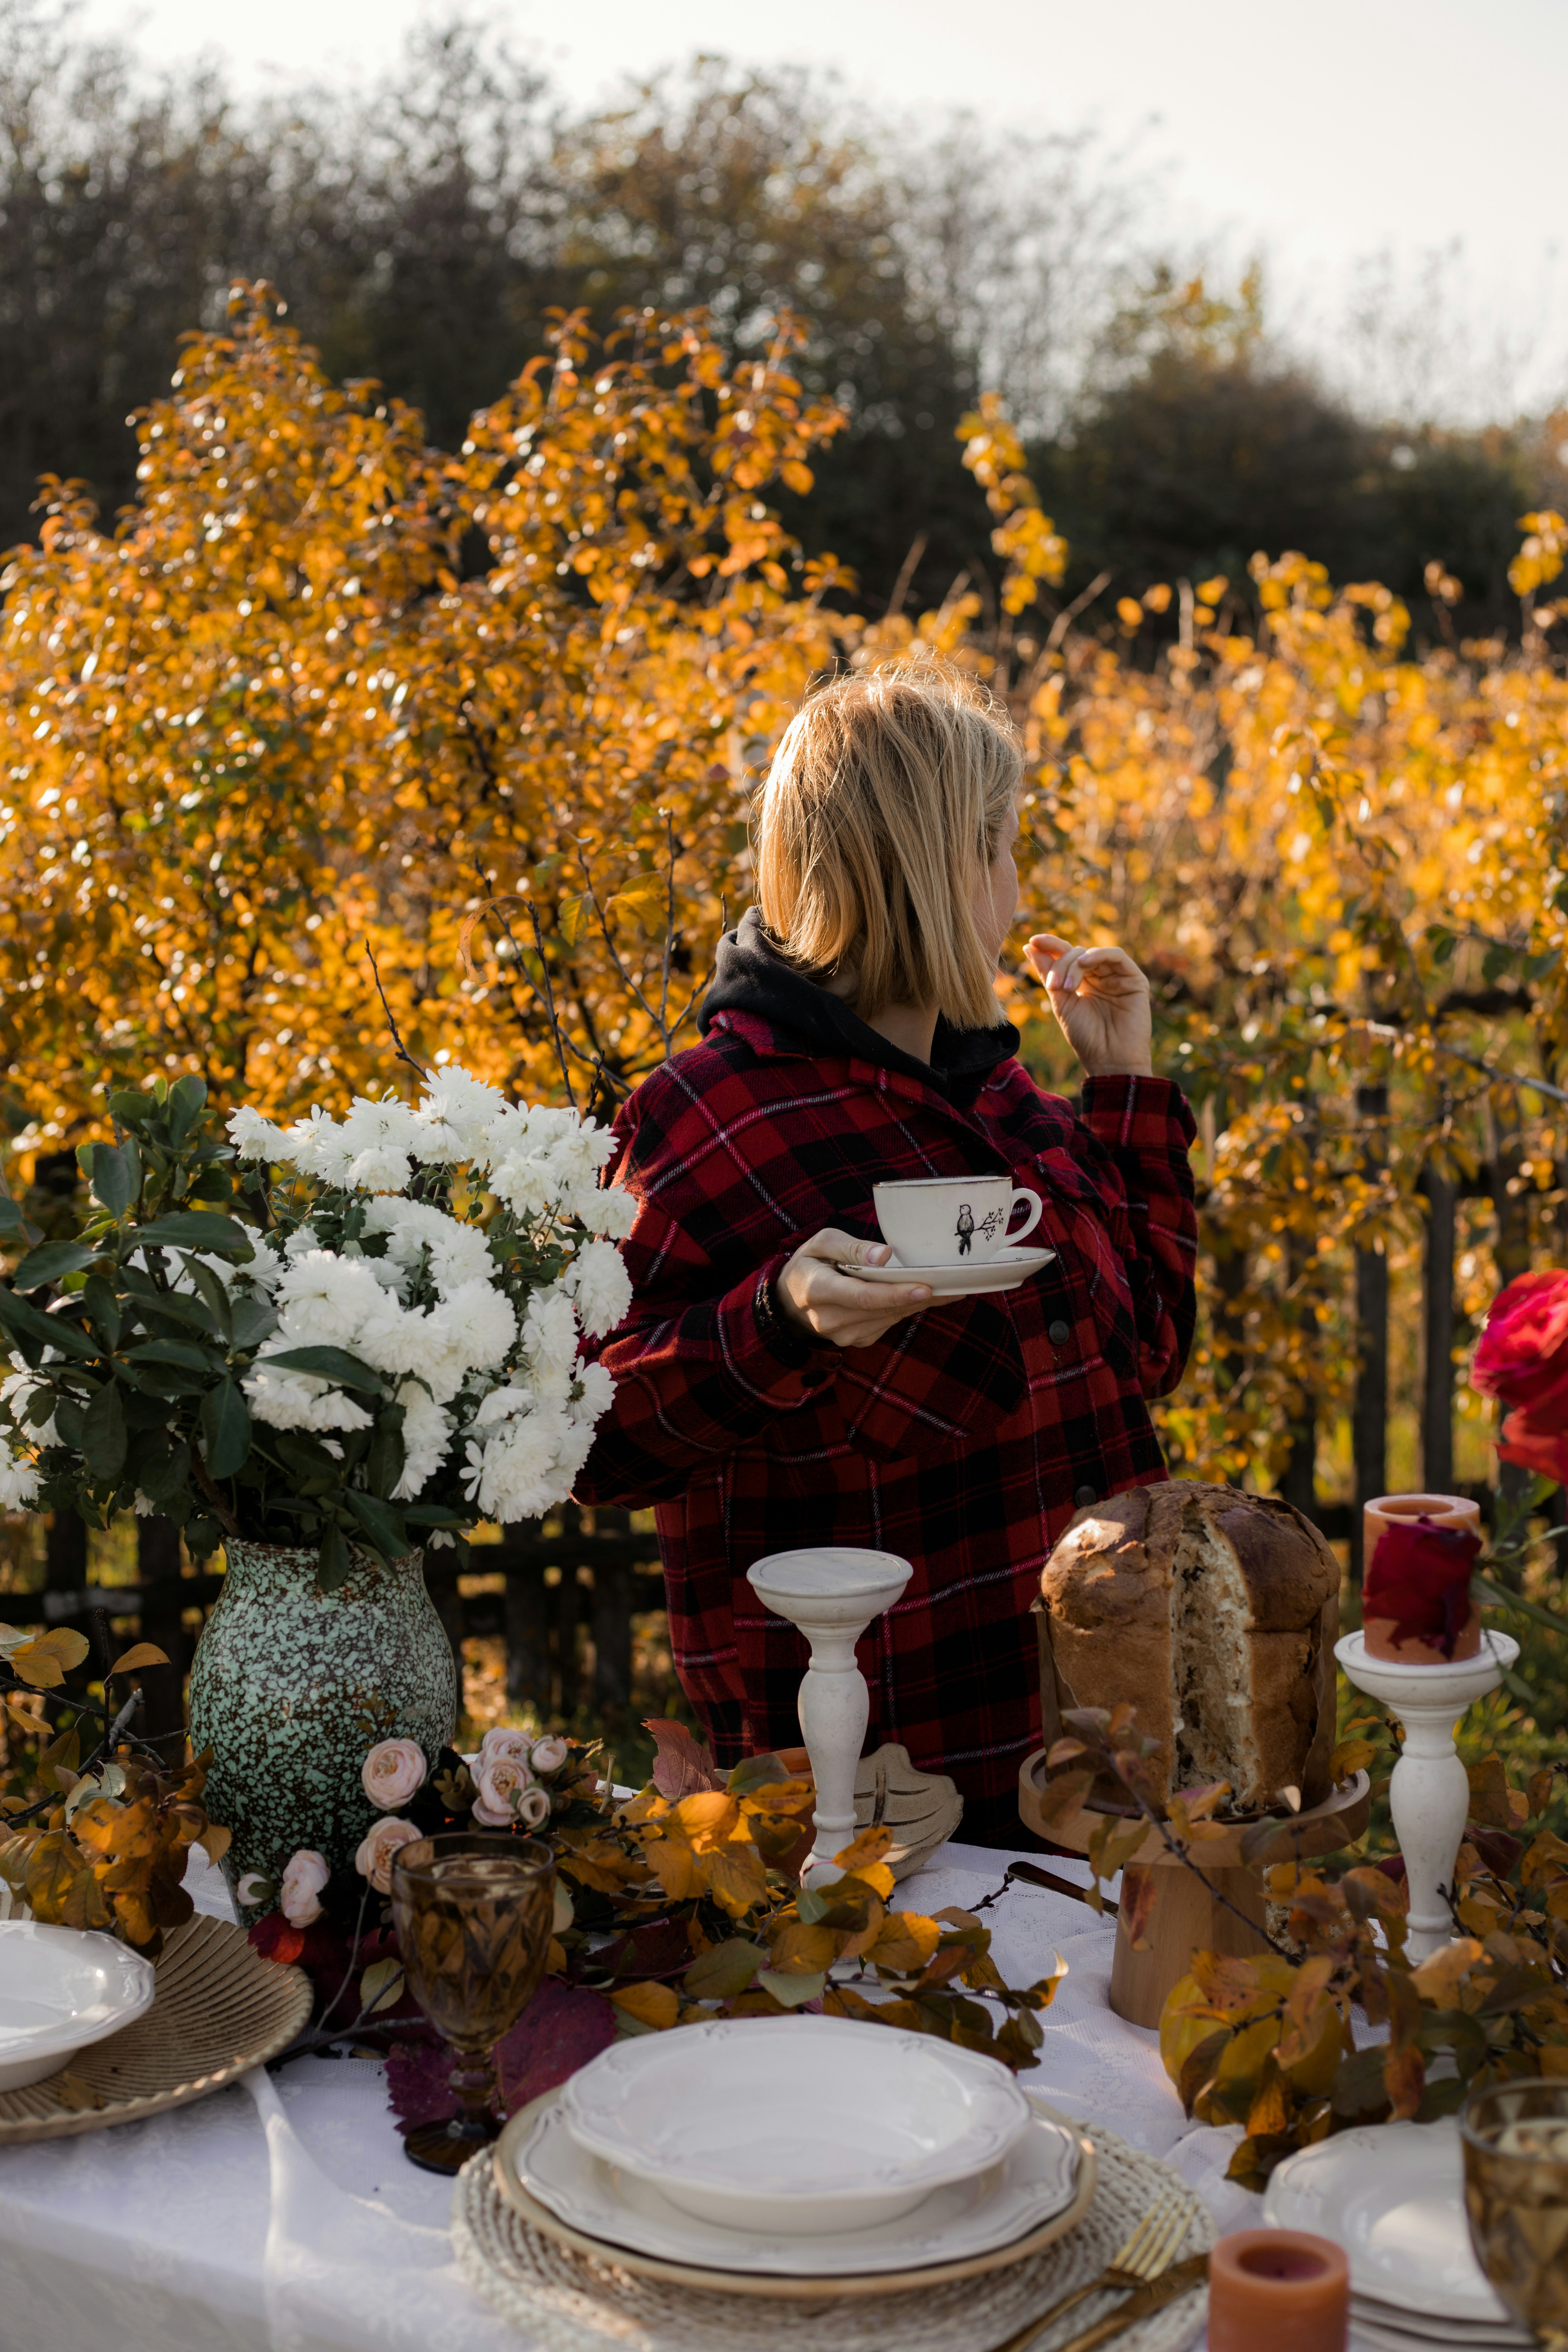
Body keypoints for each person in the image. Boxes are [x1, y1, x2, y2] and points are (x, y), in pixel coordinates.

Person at [576, 659, 1197, 1843]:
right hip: (880, 1806)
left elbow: (1150, 1354)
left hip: (1102, 1752)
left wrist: (1121, 1087)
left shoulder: (1011, 1098)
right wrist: (772, 1326)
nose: (1017, 883)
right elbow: (591, 1441)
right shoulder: (706, 1120)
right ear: (940, 865)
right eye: (1002, 845)